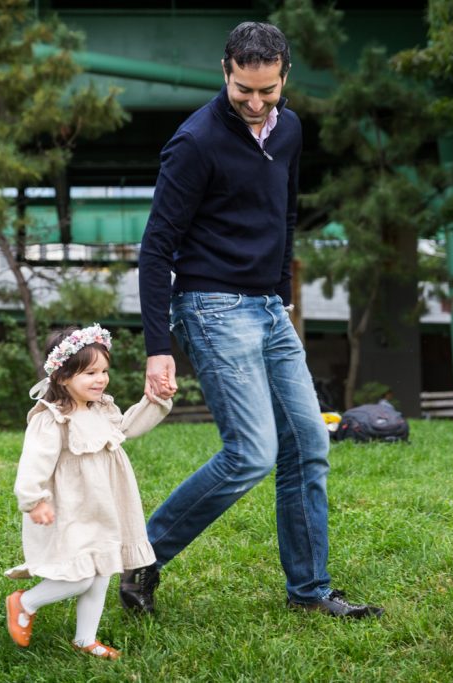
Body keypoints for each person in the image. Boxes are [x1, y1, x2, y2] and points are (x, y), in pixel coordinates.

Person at [124, 21, 383, 619]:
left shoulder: (288, 129)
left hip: (268, 307)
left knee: (309, 443)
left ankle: (310, 592)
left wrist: (281, 296)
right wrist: (158, 348)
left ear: (285, 76)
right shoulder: (195, 142)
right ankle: (140, 556)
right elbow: (156, 249)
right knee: (250, 453)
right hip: (211, 306)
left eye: (268, 90)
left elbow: (284, 214)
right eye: (244, 89)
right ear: (225, 71)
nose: (257, 102)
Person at [4, 324, 172, 659]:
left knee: (101, 573)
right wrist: (34, 500)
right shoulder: (53, 417)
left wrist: (157, 400)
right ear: (62, 376)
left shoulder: (101, 409)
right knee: (81, 577)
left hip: (103, 506)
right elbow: (34, 462)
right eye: (90, 373)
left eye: (104, 371)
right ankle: (25, 602)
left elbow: (128, 426)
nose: (100, 380)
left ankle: (86, 639)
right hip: (72, 509)